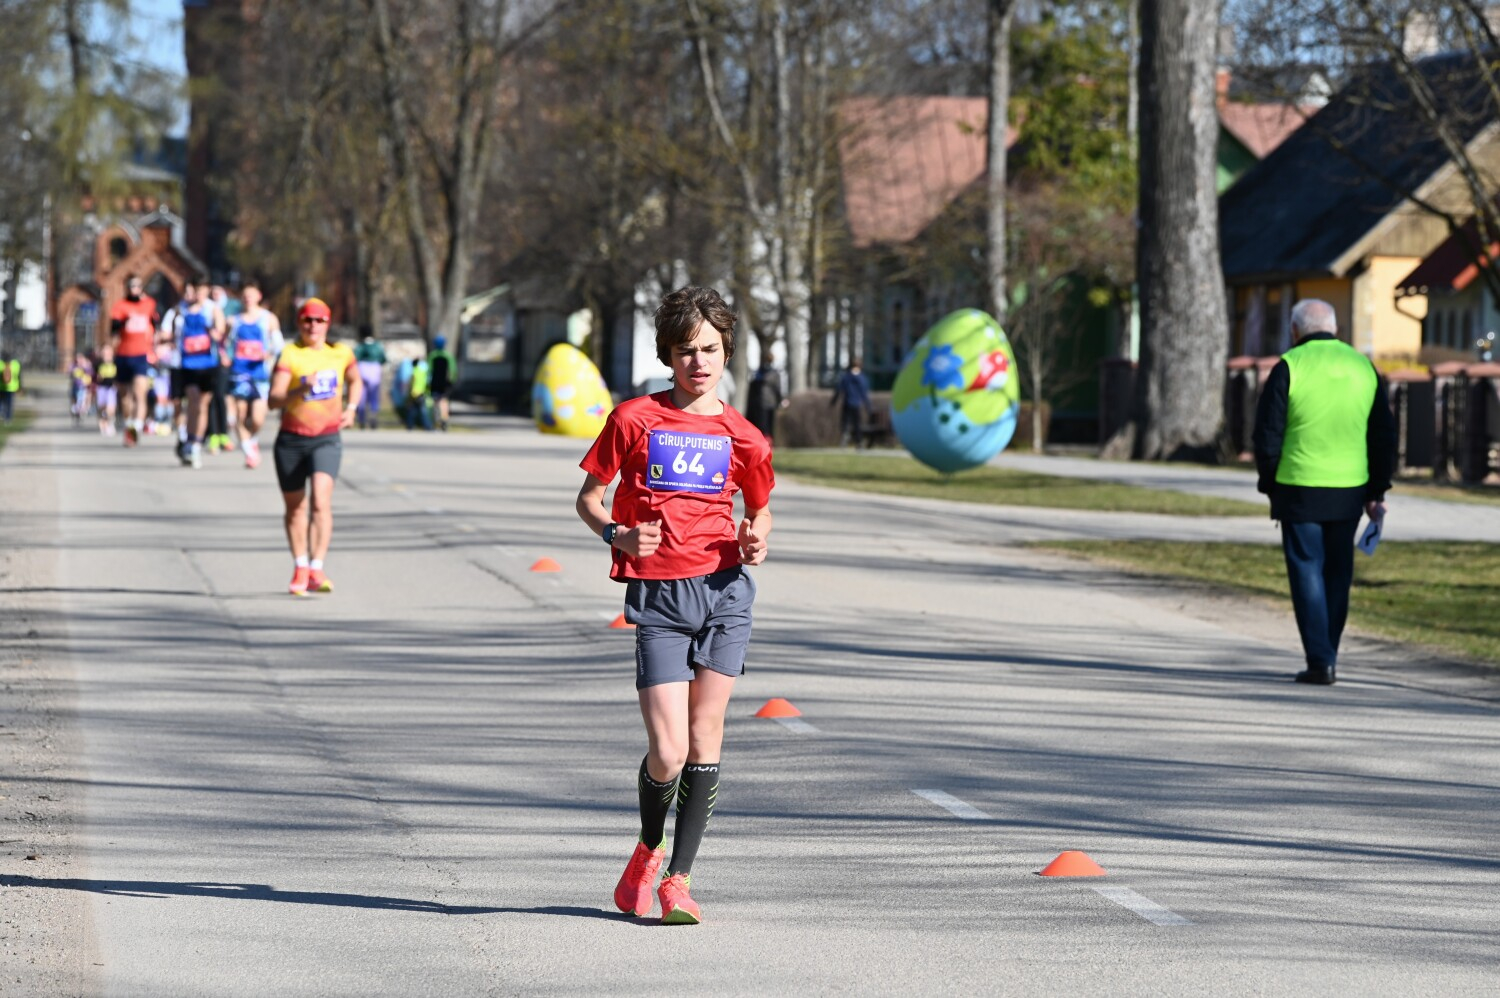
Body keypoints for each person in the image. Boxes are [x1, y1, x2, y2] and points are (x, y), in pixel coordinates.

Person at [576, 285, 775, 925]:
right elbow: (588, 498)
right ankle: (647, 850)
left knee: (704, 737)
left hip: (724, 593)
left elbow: (761, 508)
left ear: (726, 353)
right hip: (660, 594)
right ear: (668, 354)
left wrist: (756, 537)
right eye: (687, 350)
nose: (699, 362)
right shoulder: (634, 420)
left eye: (711, 349)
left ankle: (678, 882)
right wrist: (618, 535)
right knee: (666, 750)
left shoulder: (745, 436)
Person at [1252, 299, 1396, 686]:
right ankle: (1327, 652)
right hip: (1350, 487)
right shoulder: (1363, 367)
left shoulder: (1289, 366)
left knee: (1306, 572)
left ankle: (1320, 660)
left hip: (1299, 486)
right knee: (1337, 573)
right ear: (1335, 329)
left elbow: (1268, 433)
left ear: (1295, 331)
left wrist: (1270, 484)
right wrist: (1377, 488)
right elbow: (1382, 434)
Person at [268, 298, 361, 596]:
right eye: (307, 320)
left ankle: (317, 567)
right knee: (296, 508)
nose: (313, 326)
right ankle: (301, 565)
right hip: (292, 439)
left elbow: (355, 380)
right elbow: (274, 399)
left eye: (319, 320)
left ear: (328, 324)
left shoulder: (341, 353)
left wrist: (353, 406)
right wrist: (300, 389)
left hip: (327, 437)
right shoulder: (290, 354)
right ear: (299, 323)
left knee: (321, 501)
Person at [228, 283, 284, 469]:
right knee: (240, 414)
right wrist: (224, 356)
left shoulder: (268, 319)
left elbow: (278, 345)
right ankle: (248, 451)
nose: (247, 298)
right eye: (244, 295)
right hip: (239, 373)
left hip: (260, 374)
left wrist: (267, 354)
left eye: (251, 294)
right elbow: (223, 342)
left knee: (258, 418)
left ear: (258, 296)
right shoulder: (233, 320)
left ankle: (252, 439)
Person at [174, 280, 227, 469]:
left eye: (203, 290)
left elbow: (220, 331)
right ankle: (189, 440)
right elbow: (172, 332)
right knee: (192, 402)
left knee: (202, 405)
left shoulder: (212, 310)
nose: (199, 294)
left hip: (208, 364)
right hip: (187, 364)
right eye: (196, 290)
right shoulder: (181, 310)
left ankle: (195, 444)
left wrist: (215, 333)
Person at [108, 275, 160, 447]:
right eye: (131, 286)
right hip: (123, 354)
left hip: (141, 355)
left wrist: (155, 348)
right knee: (125, 396)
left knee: (140, 393)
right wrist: (123, 324)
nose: (134, 289)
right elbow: (113, 330)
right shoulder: (120, 306)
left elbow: (156, 326)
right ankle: (128, 423)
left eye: (138, 286)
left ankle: (135, 429)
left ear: (142, 288)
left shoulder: (149, 304)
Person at [831, 359, 872, 448]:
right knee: (857, 424)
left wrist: (833, 401)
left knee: (845, 423)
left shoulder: (846, 377)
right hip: (856, 403)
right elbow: (864, 393)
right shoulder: (862, 378)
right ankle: (858, 442)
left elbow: (839, 389)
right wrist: (868, 406)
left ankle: (845, 437)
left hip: (847, 402)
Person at [352, 327, 387, 429]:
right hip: (375, 370)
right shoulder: (378, 346)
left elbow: (354, 358)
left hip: (362, 369)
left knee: (361, 396)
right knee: (374, 397)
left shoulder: (360, 346)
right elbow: (383, 359)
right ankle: (373, 416)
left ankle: (362, 419)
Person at [745, 360, 786, 443]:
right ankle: (768, 442)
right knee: (769, 425)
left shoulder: (758, 374)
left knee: (762, 425)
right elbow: (777, 389)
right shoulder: (774, 374)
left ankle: (764, 441)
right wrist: (781, 400)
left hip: (760, 403)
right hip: (770, 403)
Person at [427, 335, 456, 431]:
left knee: (435, 401)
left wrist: (428, 382)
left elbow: (429, 370)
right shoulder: (448, 356)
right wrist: (452, 381)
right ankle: (444, 419)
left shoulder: (432, 355)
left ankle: (435, 419)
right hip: (445, 382)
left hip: (434, 382)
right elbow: (453, 370)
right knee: (444, 401)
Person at [94, 345, 119, 435]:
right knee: (102, 408)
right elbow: (93, 376)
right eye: (104, 352)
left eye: (108, 351)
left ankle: (110, 423)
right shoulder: (98, 363)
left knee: (110, 408)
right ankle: (102, 423)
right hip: (101, 388)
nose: (106, 354)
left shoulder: (116, 362)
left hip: (111, 388)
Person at [404, 354, 433, 430]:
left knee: (414, 411)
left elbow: (411, 383)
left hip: (414, 393)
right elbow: (426, 383)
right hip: (421, 393)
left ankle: (410, 426)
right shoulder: (422, 372)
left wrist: (408, 394)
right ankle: (427, 426)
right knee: (421, 411)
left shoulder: (414, 371)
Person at [70, 352, 94, 425]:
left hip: (83, 387)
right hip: (75, 386)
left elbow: (91, 374)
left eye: (81, 358)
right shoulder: (74, 366)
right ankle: (76, 412)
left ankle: (81, 411)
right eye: (78, 359)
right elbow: (70, 372)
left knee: (82, 399)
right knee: (74, 399)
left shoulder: (86, 366)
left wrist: (85, 366)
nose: (79, 360)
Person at [0, 351, 19, 424]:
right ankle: (7, 418)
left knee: (3, 402)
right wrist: (19, 387)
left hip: (2, 387)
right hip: (10, 388)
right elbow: (18, 376)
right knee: (8, 404)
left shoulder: (1, 364)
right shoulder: (15, 365)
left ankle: (4, 415)